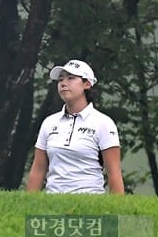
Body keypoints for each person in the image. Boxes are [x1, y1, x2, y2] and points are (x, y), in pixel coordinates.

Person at [26, 59, 124, 194]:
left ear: (87, 84)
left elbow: (114, 171)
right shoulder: (49, 123)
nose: (63, 84)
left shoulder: (103, 123)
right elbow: (38, 168)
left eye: (71, 78)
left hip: (90, 204)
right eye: (60, 80)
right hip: (52, 203)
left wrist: (119, 210)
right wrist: (29, 206)